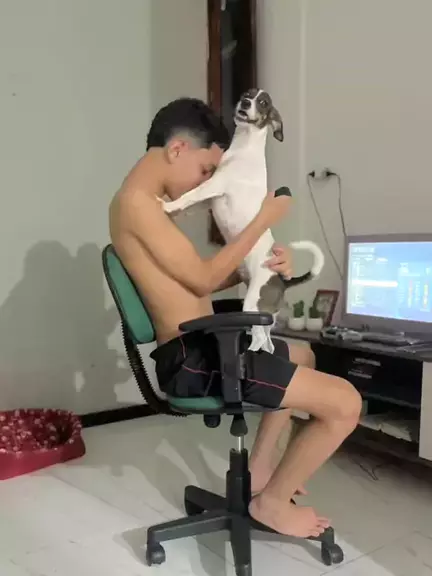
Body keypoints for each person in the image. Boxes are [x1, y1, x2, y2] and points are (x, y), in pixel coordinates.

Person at [109, 97, 362, 539]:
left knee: (303, 355)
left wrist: (263, 268)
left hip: (200, 347)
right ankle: (272, 503)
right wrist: (263, 219)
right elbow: (203, 279)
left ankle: (262, 472)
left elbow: (196, 282)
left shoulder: (142, 204)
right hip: (194, 359)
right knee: (347, 404)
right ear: (178, 149)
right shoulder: (137, 204)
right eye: (206, 169)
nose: (207, 180)